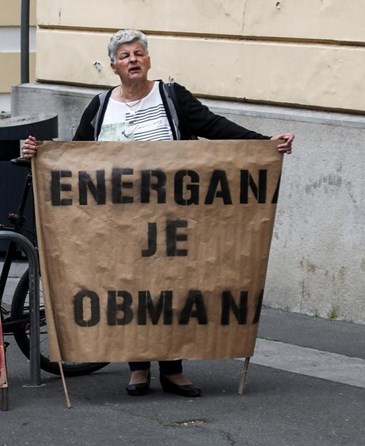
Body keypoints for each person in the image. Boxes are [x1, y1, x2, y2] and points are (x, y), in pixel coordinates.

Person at [21, 29, 294, 398]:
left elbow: (214, 127)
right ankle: (137, 369)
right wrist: (38, 154)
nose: (133, 59)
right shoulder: (101, 106)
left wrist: (263, 145)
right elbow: (74, 155)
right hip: (117, 221)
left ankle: (173, 370)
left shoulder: (171, 96)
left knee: (172, 285)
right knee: (129, 286)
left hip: (172, 218)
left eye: (139, 53)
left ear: (148, 60)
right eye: (124, 55)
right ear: (113, 66)